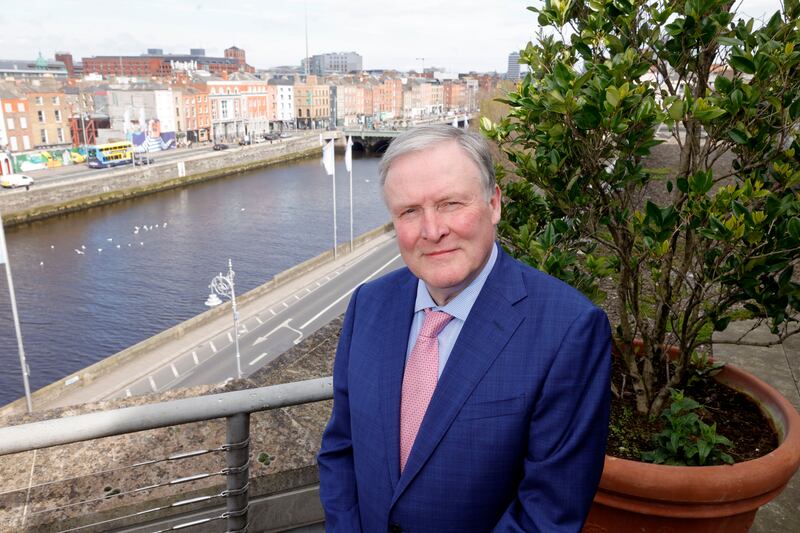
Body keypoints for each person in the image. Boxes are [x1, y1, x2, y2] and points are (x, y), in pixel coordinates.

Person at [318, 124, 612, 532]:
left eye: (451, 203)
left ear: (494, 204)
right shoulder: (368, 305)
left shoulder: (569, 331)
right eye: (409, 211)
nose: (433, 230)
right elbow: (340, 448)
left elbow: (548, 510)